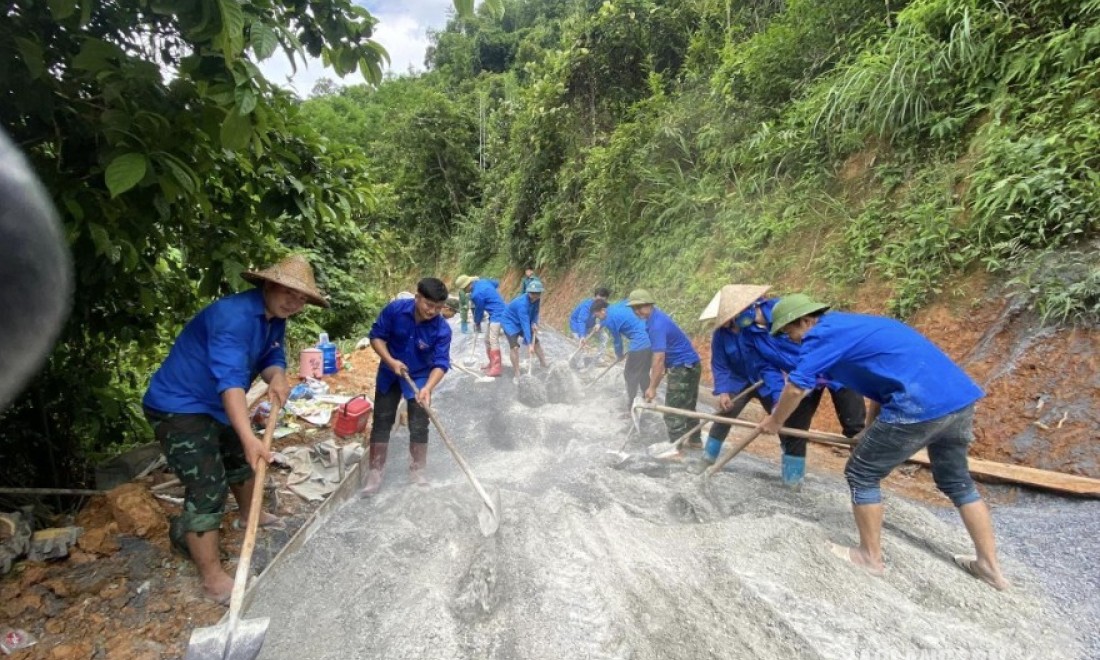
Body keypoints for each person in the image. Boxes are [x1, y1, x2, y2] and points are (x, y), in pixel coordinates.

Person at [759, 294, 1009, 589]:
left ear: (804, 320)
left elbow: (796, 387)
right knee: (958, 482)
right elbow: (881, 387)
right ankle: (989, 567)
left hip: (918, 405)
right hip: (958, 400)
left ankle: (869, 557)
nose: (792, 339)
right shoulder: (856, 326)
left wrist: (775, 422)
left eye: (789, 332)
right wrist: (867, 430)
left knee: (861, 473)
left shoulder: (821, 335)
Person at [142, 254, 328, 604]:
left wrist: (277, 378)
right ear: (269, 285)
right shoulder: (233, 317)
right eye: (290, 293)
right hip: (179, 405)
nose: (295, 302)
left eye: (302, 298)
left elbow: (271, 356)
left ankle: (249, 514)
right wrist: (249, 438)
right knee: (207, 486)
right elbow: (230, 383)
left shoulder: (275, 317)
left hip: (216, 403)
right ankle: (212, 579)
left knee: (241, 463)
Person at [702, 286, 865, 489]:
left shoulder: (788, 312)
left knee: (855, 428)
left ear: (750, 307)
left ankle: (864, 476)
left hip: (835, 371)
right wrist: (780, 401)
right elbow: (766, 368)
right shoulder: (747, 336)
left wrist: (814, 371)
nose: (732, 324)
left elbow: (824, 339)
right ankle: (792, 482)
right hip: (800, 380)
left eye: (734, 318)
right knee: (794, 427)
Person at [361, 277, 452, 495]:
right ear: (417, 297)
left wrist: (428, 387)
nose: (432, 311)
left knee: (420, 422)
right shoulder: (395, 310)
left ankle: (418, 471)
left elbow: (441, 363)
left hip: (420, 377)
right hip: (390, 373)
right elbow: (376, 337)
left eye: (438, 308)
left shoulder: (442, 330)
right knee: (382, 419)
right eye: (428, 305)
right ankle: (375, 472)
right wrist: (390, 361)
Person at [626, 289, 702, 449]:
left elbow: (658, 358)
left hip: (683, 367)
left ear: (649, 304)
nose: (637, 311)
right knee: (687, 405)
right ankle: (695, 441)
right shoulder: (655, 318)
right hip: (690, 364)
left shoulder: (656, 324)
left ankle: (676, 449)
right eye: (634, 308)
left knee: (672, 411)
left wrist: (652, 387)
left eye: (640, 307)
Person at [590, 298, 652, 414]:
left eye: (597, 315)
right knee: (643, 372)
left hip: (640, 343)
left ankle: (631, 408)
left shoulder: (610, 319)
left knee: (629, 375)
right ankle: (647, 398)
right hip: (651, 337)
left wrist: (619, 355)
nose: (597, 317)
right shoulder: (618, 305)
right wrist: (600, 324)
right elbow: (628, 301)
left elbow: (617, 341)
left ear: (603, 310)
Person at [456, 274, 507, 377]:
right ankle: (492, 363)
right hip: (496, 313)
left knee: (493, 340)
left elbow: (479, 310)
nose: (465, 291)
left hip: (498, 314)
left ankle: (496, 368)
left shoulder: (476, 294)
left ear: (468, 285)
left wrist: (477, 321)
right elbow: (496, 283)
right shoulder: (483, 281)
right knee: (487, 340)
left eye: (464, 289)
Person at [501, 279, 547, 380]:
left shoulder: (537, 300)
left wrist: (534, 322)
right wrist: (529, 344)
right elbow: (525, 324)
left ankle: (544, 364)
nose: (535, 296)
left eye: (537, 294)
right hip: (510, 322)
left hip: (521, 320)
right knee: (515, 347)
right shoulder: (522, 304)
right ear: (528, 292)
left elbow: (535, 312)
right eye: (532, 293)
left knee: (537, 343)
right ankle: (517, 373)